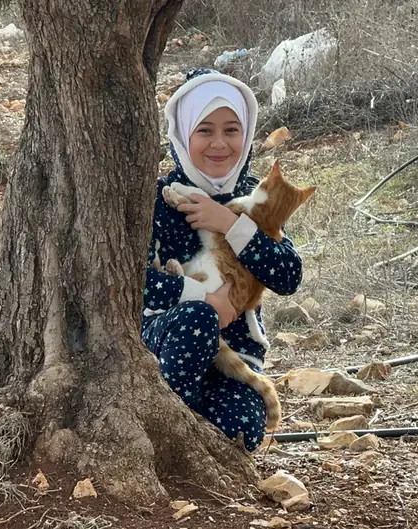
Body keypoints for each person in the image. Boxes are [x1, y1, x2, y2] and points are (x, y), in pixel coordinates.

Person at [140, 67, 302, 452]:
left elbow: (288, 275)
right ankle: (173, 424)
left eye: (231, 130)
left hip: (235, 358)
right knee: (199, 317)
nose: (219, 143)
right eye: (204, 130)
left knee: (240, 429)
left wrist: (229, 222)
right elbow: (136, 282)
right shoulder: (159, 197)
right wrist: (201, 297)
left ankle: (194, 431)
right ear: (182, 133)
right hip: (171, 342)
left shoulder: (254, 196)